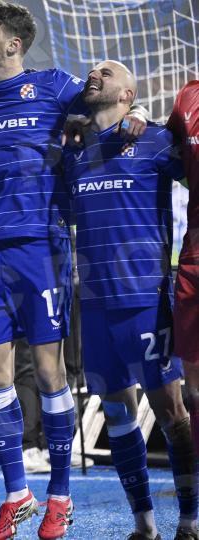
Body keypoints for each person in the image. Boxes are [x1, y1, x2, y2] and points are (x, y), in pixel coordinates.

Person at [0, 2, 147, 538]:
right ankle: (17, 495)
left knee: (48, 372)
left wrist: (139, 109)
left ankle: (59, 496)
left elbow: (107, 102)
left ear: (13, 44)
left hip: (42, 247)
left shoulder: (55, 85)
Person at [62, 59, 198, 540]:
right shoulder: (75, 150)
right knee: (118, 415)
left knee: (172, 413)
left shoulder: (156, 139)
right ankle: (144, 525)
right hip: (95, 305)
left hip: (145, 299)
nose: (94, 74)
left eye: (107, 72)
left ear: (128, 93)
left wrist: (142, 116)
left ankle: (190, 520)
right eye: (93, 71)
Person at [169, 80, 199, 456]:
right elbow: (167, 150)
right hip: (193, 260)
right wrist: (139, 113)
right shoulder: (188, 97)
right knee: (193, 382)